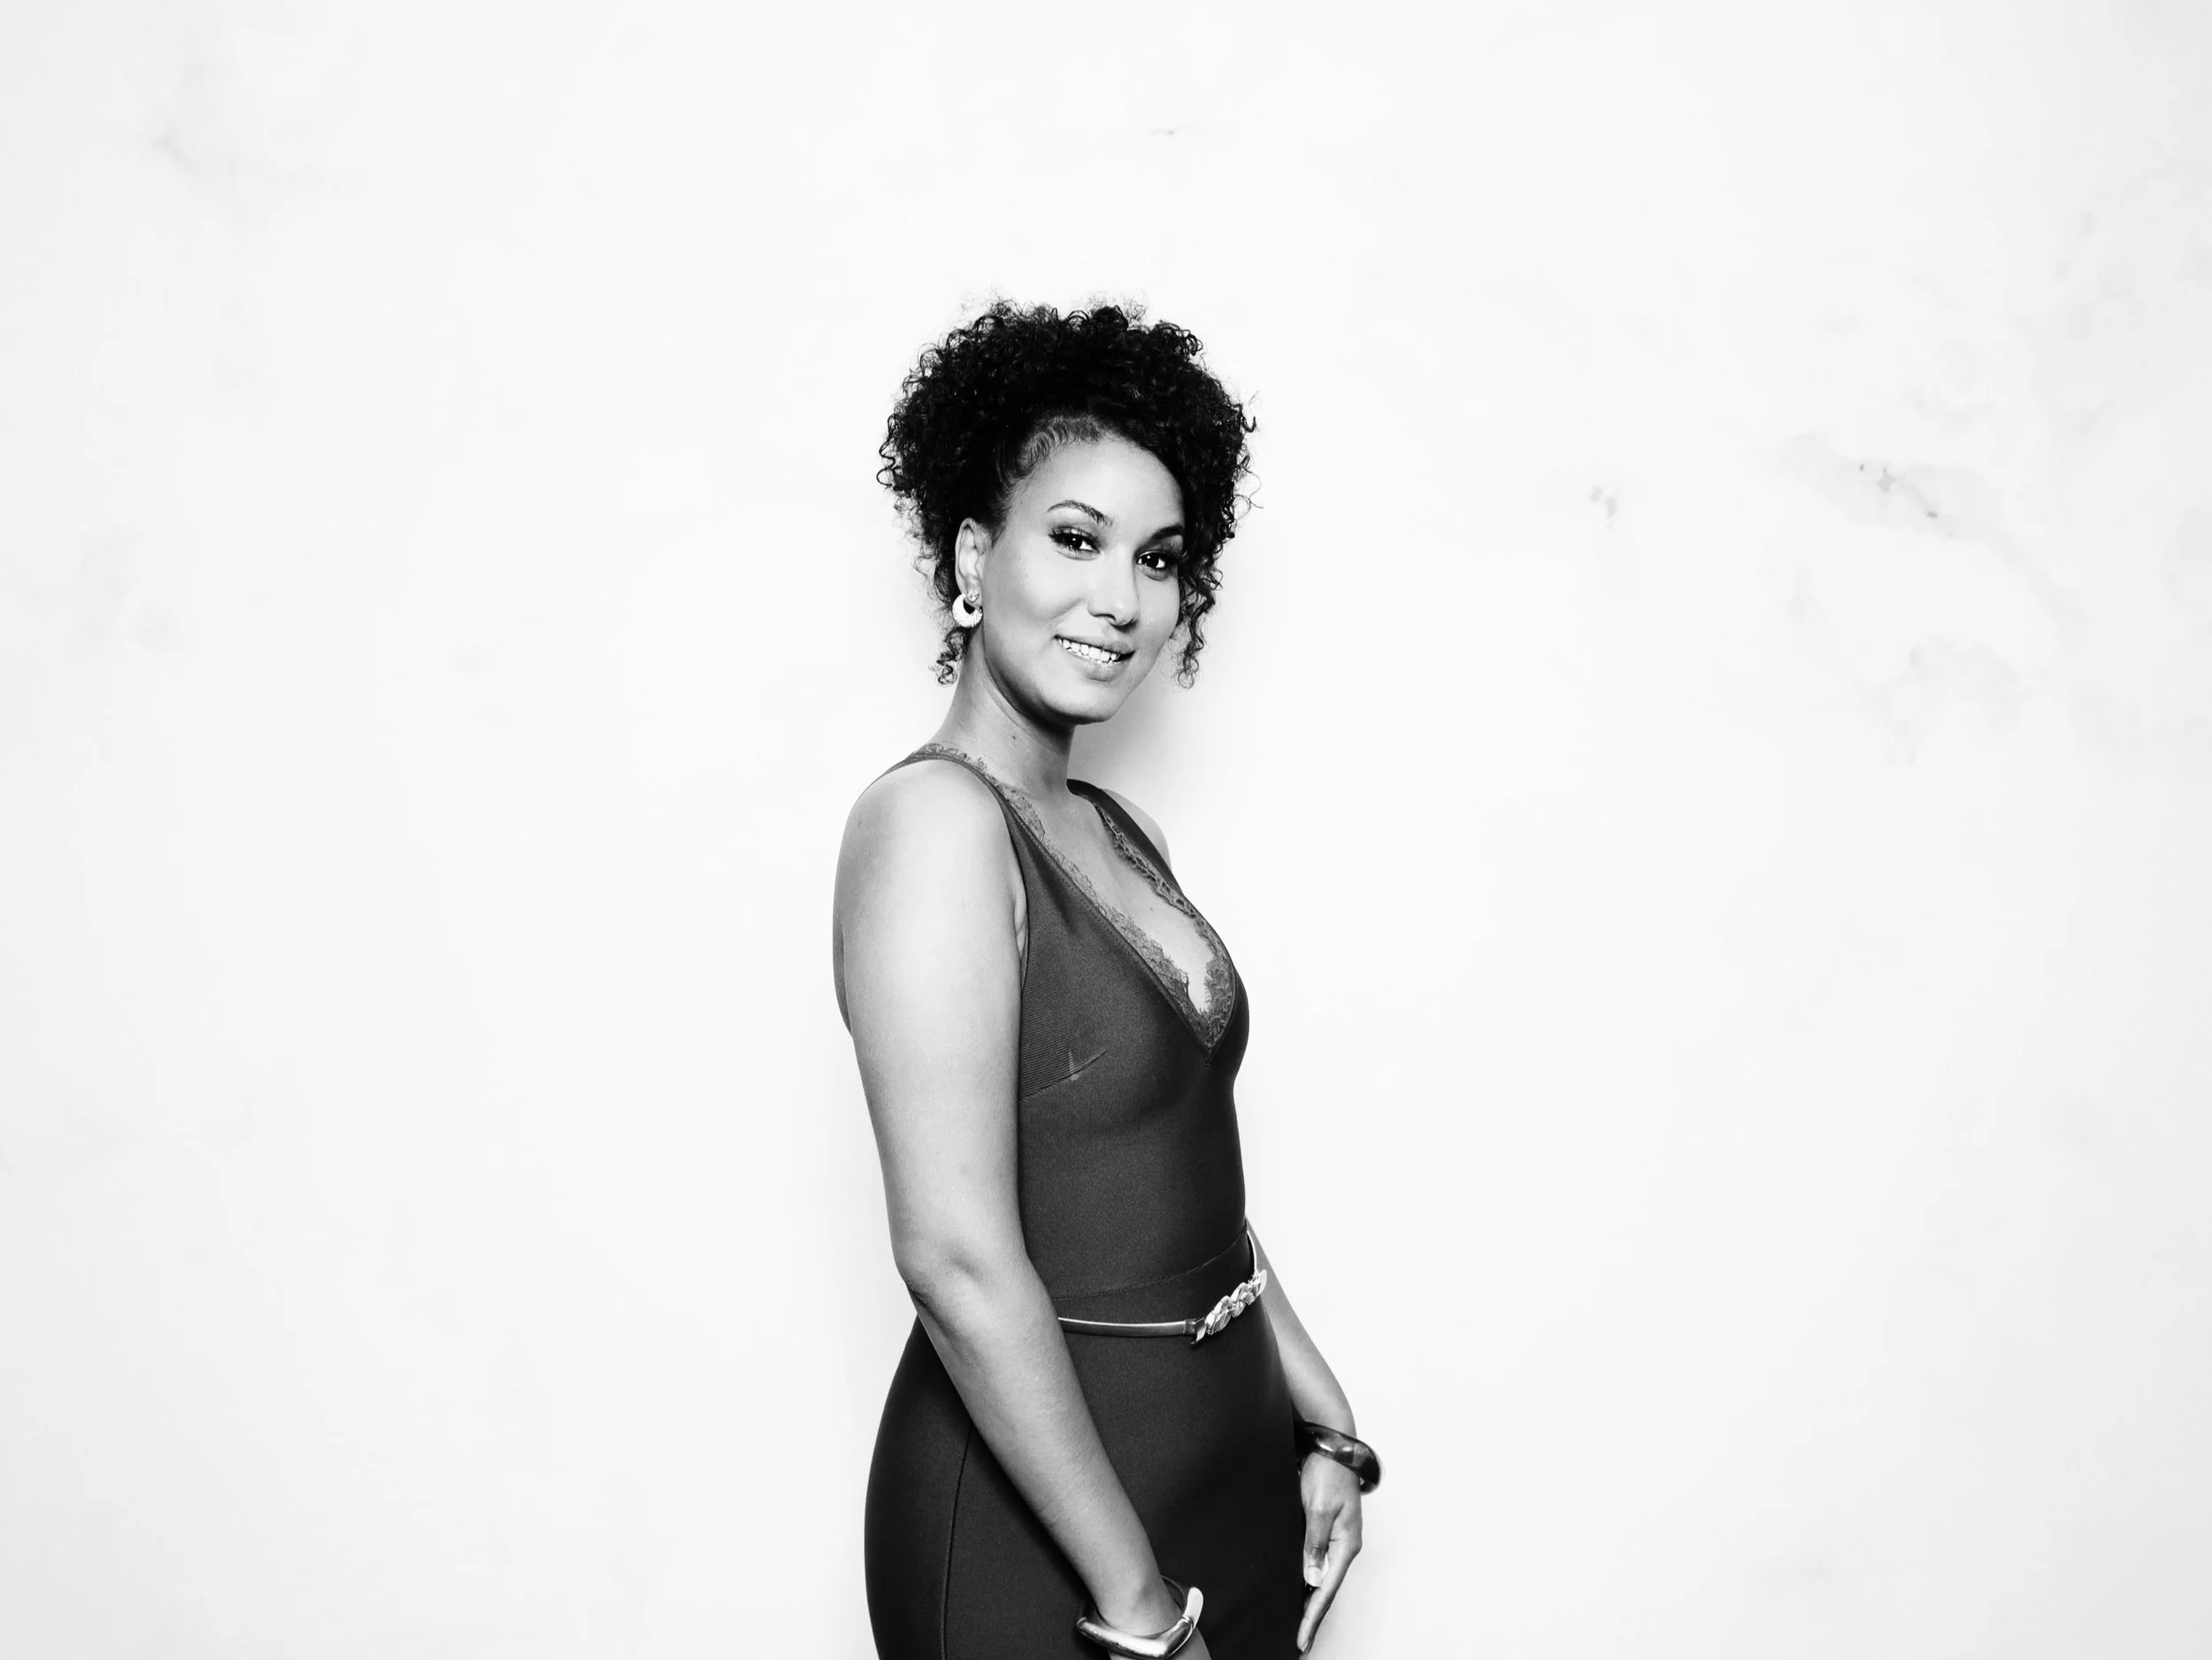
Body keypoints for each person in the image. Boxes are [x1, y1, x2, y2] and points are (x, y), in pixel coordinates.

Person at [833, 302, 1379, 1660]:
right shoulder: (934, 829)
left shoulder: (1115, 830)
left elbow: (1178, 1182)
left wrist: (1322, 1418)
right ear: (974, 553)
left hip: (1219, 1479)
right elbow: (956, 1259)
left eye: (1159, 558)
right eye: (1075, 539)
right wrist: (1138, 1610)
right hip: (1057, 1543)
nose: (1123, 600)